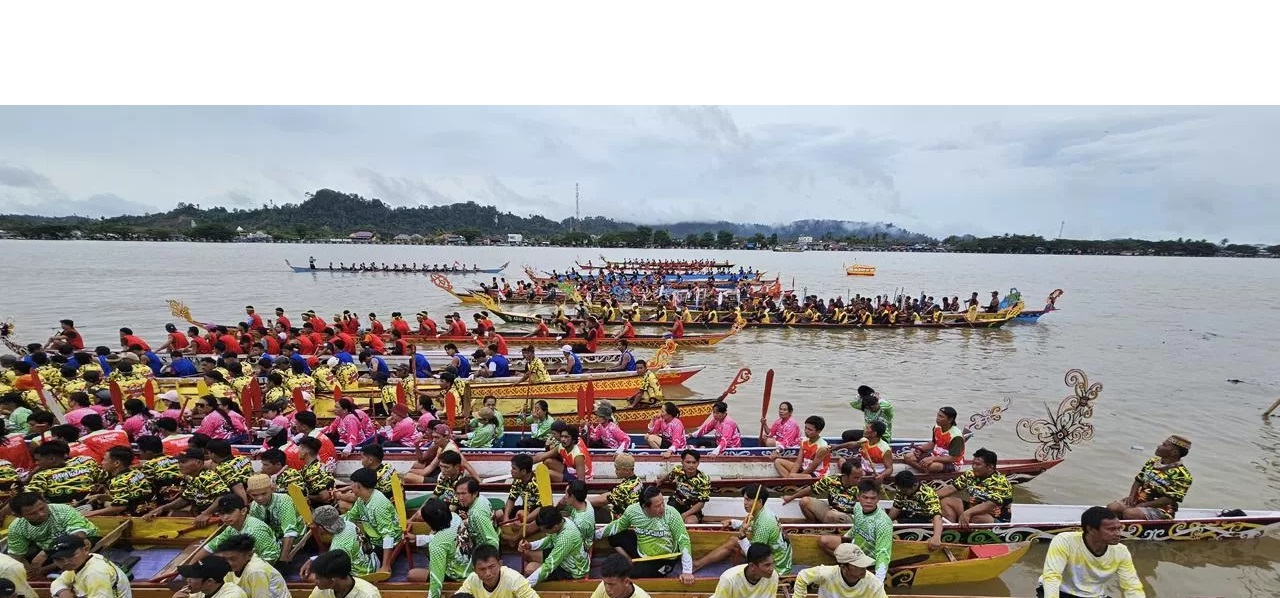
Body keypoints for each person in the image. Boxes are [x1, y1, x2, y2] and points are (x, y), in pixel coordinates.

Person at [1037, 506, 1146, 598]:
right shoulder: (1065, 541)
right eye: (1111, 529)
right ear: (1091, 529)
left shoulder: (1121, 551)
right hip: (1061, 592)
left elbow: (1132, 586)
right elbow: (1052, 577)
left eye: (1119, 528)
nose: (1118, 533)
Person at [595, 485, 695, 584]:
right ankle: (630, 560)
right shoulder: (632, 511)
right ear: (645, 507)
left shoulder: (672, 514)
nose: (662, 508)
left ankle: (637, 567)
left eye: (663, 503)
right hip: (642, 550)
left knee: (631, 575)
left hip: (664, 558)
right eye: (657, 506)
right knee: (614, 534)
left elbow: (684, 540)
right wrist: (594, 535)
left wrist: (687, 572)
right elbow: (618, 525)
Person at [693, 484, 792, 575]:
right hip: (774, 558)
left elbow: (755, 555)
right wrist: (732, 522)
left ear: (760, 501)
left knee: (734, 543)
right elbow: (751, 525)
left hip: (776, 568)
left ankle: (702, 565)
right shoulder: (764, 512)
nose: (745, 503)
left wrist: (742, 535)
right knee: (734, 542)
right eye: (744, 499)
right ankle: (699, 564)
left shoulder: (764, 524)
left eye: (748, 500)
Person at [815, 480, 892, 584]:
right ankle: (844, 564)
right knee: (824, 541)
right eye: (865, 497)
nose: (869, 501)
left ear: (878, 499)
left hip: (869, 558)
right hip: (855, 546)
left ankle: (851, 569)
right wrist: (845, 544)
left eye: (873, 498)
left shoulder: (883, 522)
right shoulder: (858, 507)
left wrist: (879, 583)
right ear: (858, 497)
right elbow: (856, 528)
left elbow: (883, 553)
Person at [6, 492, 97, 574]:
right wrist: (27, 572)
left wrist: (46, 552)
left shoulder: (63, 510)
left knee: (83, 544)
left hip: (84, 543)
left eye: (42, 508)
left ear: (45, 502)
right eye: (32, 513)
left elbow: (78, 536)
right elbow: (16, 556)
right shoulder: (17, 527)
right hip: (53, 554)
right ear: (18, 515)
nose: (41, 514)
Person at [1106, 435, 1192, 521]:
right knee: (1112, 508)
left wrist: (1143, 505)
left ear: (1174, 453)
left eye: (1164, 445)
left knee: (1129, 513)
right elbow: (1138, 480)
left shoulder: (1183, 475)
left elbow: (1169, 499)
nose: (1159, 446)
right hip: (1139, 500)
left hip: (1162, 509)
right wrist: (1131, 496)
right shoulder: (1153, 461)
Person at [936, 447, 1013, 529]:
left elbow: (990, 505)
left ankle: (964, 528)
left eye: (978, 464)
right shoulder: (970, 474)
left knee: (975, 517)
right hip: (972, 510)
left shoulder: (1000, 481)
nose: (974, 467)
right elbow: (951, 488)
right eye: (973, 463)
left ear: (990, 466)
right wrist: (931, 497)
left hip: (995, 518)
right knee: (945, 501)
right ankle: (950, 529)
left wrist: (967, 513)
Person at [342, 467, 400, 575]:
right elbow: (350, 517)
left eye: (352, 483)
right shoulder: (361, 500)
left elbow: (388, 536)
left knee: (355, 566)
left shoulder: (379, 505)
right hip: (373, 538)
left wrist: (385, 566)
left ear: (358, 485)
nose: (350, 487)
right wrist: (332, 522)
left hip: (383, 543)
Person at [197, 494, 281, 564]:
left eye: (230, 512)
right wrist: (191, 564)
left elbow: (271, 557)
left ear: (243, 511)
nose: (225, 517)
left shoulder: (255, 529)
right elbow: (211, 546)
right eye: (222, 513)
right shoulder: (231, 528)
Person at [519, 508, 590, 586]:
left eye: (545, 531)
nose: (544, 532)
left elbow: (550, 565)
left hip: (572, 570)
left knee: (529, 569)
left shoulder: (565, 538)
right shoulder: (562, 521)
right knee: (526, 552)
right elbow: (550, 539)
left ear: (555, 527)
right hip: (564, 556)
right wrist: (530, 545)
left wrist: (524, 586)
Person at [46, 535, 132, 598]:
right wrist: (62, 591)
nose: (66, 562)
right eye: (59, 559)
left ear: (85, 549)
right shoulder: (84, 561)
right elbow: (58, 582)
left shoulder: (96, 571)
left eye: (71, 556)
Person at [305, 506, 378, 579]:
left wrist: (312, 577)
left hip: (363, 575)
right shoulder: (348, 523)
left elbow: (336, 576)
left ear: (321, 528)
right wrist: (313, 559)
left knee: (312, 578)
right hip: (373, 562)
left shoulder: (338, 547)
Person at [245, 474, 304, 562]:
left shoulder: (283, 500)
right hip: (275, 540)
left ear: (272, 489)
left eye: (264, 493)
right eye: (254, 495)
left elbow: (290, 532)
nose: (260, 498)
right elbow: (255, 529)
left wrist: (283, 559)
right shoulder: (254, 506)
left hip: (295, 539)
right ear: (249, 494)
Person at [793, 543, 888, 598]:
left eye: (864, 563)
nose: (864, 568)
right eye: (858, 565)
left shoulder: (873, 584)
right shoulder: (827, 574)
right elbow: (803, 576)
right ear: (844, 567)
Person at [783, 459, 862, 523]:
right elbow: (811, 489)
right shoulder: (832, 479)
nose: (859, 480)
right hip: (830, 510)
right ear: (845, 475)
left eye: (860, 477)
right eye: (855, 477)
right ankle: (812, 525)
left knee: (831, 515)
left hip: (848, 516)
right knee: (805, 501)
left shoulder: (861, 486)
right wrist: (791, 497)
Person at [887, 470, 944, 551]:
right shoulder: (901, 489)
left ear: (914, 485)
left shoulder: (928, 494)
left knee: (895, 523)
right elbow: (896, 507)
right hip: (910, 514)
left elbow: (937, 516)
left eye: (905, 491)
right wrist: (886, 522)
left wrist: (936, 537)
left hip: (924, 519)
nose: (902, 492)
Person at [459, 544, 539, 598]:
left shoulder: (514, 579)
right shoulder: (472, 579)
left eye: (491, 567)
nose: (488, 573)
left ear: (500, 564)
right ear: (475, 570)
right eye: (482, 569)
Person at [903, 406, 965, 473]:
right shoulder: (937, 427)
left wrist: (932, 459)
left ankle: (926, 470)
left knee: (932, 466)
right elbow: (934, 443)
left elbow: (953, 458)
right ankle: (925, 471)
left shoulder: (956, 436)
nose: (937, 418)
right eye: (938, 415)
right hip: (936, 455)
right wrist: (921, 449)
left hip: (952, 462)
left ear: (950, 420)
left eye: (941, 416)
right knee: (908, 457)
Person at [708, 543, 779, 598]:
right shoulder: (729, 579)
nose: (772, 568)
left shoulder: (773, 576)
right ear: (752, 566)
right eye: (767, 565)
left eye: (773, 563)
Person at [663, 449, 711, 524]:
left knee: (689, 522)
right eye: (688, 462)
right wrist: (659, 481)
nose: (691, 465)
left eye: (694, 462)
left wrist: (684, 515)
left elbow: (701, 503)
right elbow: (669, 476)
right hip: (676, 503)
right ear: (682, 462)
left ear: (698, 463)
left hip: (693, 508)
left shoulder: (704, 479)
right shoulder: (678, 470)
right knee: (667, 518)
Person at [307, 550, 382, 598]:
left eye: (318, 578)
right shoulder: (320, 591)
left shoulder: (369, 595)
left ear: (332, 581)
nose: (315, 580)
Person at [589, 452, 640, 521]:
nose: (615, 471)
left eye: (617, 469)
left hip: (621, 519)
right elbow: (611, 494)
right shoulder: (637, 480)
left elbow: (602, 501)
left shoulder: (624, 488)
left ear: (627, 470)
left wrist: (584, 501)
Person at [454, 477, 500, 550]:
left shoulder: (477, 513)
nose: (460, 498)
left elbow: (492, 541)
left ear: (475, 493)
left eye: (463, 493)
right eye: (458, 494)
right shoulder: (481, 498)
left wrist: (489, 556)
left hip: (484, 550)